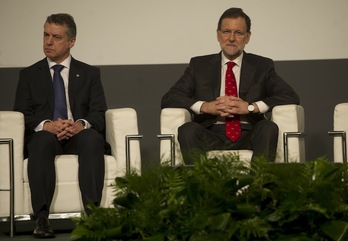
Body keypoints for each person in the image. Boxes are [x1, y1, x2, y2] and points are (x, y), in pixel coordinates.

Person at [161, 7, 300, 165]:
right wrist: (205, 106)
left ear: (247, 37)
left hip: (249, 132)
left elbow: (290, 96)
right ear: (218, 34)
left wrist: (249, 107)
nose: (231, 38)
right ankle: (200, 188)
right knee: (188, 130)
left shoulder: (262, 65)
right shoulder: (199, 65)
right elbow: (169, 98)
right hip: (212, 133)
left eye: (239, 33)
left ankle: (259, 186)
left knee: (268, 127)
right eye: (226, 31)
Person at [13, 13, 108, 239]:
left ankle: (93, 216)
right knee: (41, 142)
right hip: (46, 136)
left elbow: (99, 113)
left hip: (77, 135)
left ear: (71, 41)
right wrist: (46, 125)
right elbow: (21, 114)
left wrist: (79, 125)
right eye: (46, 35)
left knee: (92, 138)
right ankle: (42, 218)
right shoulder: (28, 74)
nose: (48, 41)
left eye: (56, 37)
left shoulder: (90, 73)